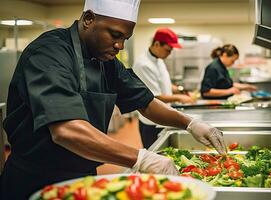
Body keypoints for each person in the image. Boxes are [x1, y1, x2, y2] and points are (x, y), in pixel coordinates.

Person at [0, 0, 226, 199]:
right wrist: (141, 158)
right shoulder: (49, 53)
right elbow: (66, 130)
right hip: (35, 178)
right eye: (115, 35)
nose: (120, 46)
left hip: (83, 176)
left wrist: (189, 123)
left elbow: (145, 102)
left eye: (125, 38)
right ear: (88, 19)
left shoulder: (106, 60)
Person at [132, 28, 195, 148]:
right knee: (155, 156)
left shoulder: (158, 59)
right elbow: (154, 97)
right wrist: (180, 98)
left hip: (162, 116)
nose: (170, 53)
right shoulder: (143, 65)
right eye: (168, 50)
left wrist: (181, 90)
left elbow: (162, 82)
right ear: (157, 44)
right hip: (151, 121)